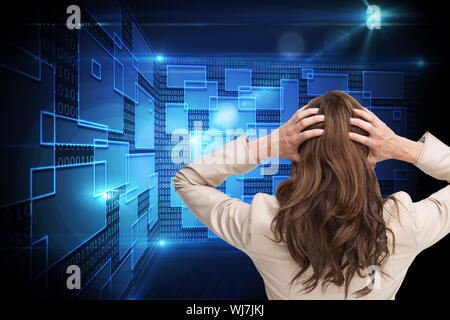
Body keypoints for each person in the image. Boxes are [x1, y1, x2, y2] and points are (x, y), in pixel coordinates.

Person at [172, 90, 449, 299]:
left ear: (298, 157)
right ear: (371, 158)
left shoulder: (262, 225)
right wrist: (402, 147)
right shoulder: (404, 225)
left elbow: (188, 181)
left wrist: (269, 144)